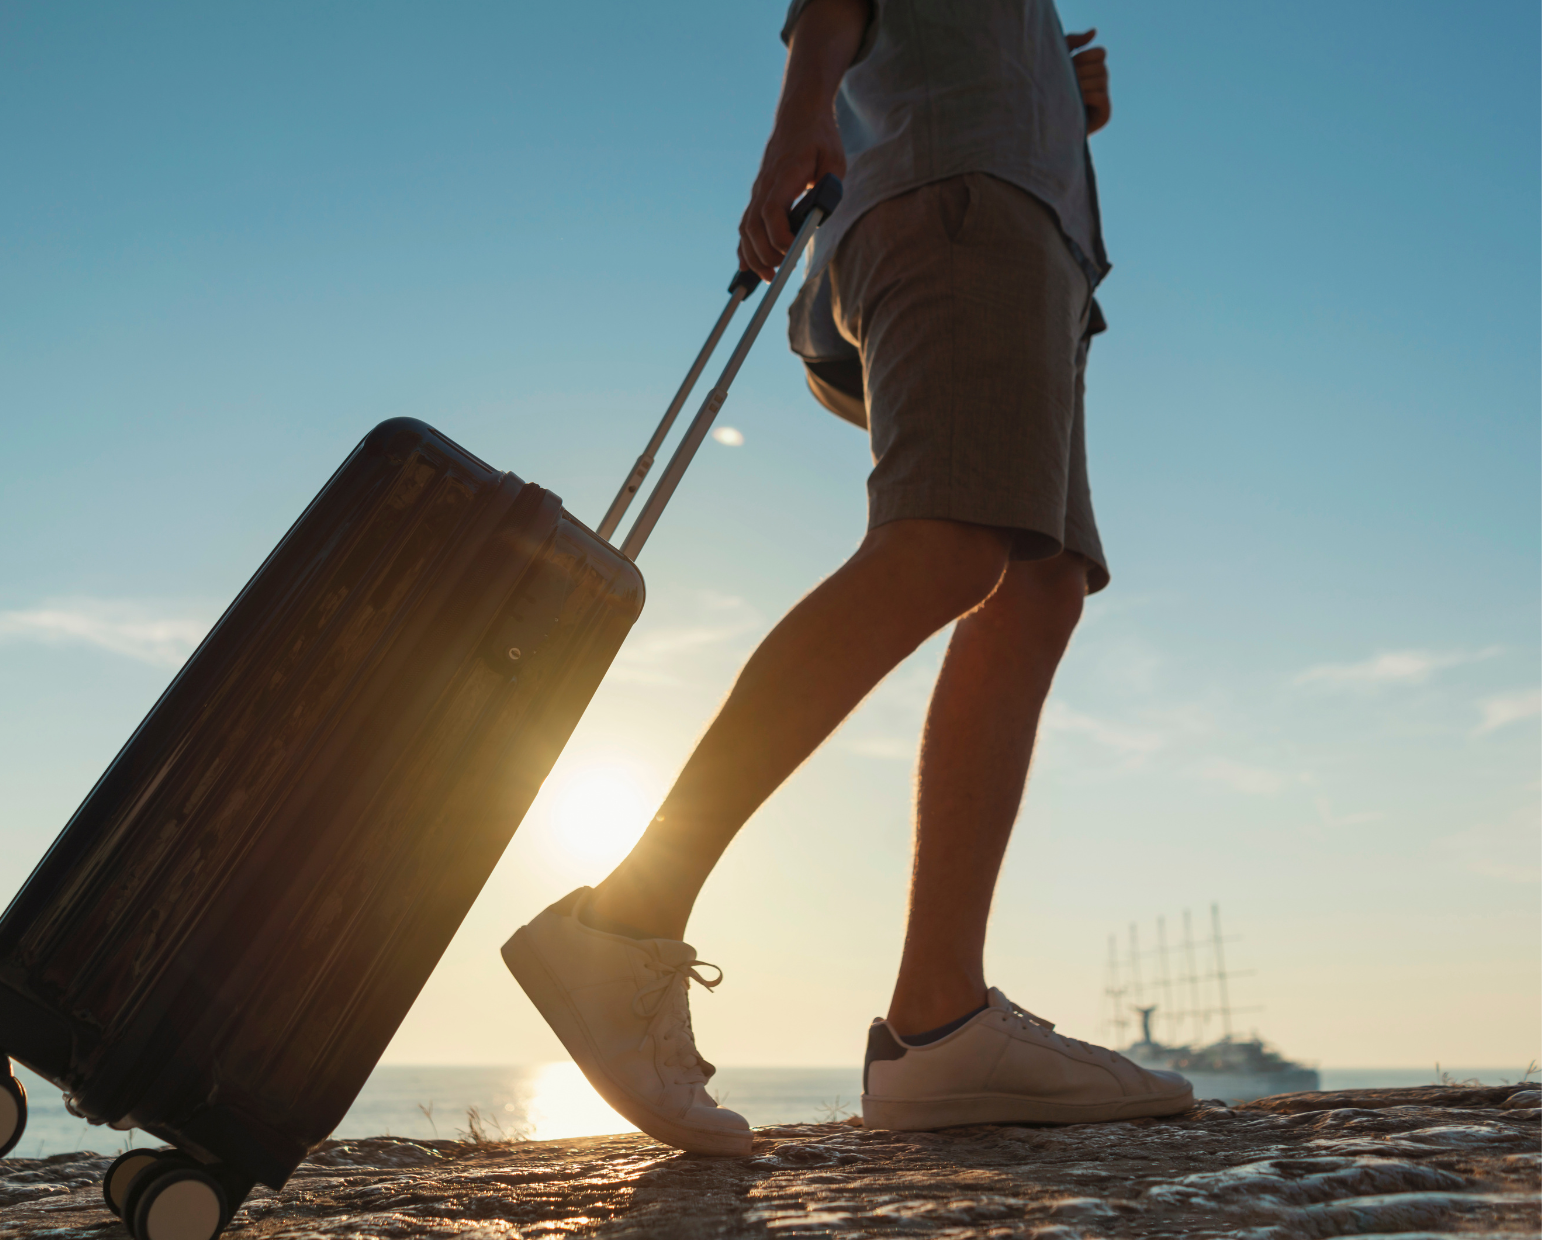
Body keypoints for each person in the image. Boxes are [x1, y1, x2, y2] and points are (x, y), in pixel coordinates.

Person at [501, 0, 1192, 1156]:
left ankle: (939, 1025)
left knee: (1039, 581)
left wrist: (1052, 102)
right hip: (956, 193)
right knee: (949, 539)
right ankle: (626, 917)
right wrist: (801, 111)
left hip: (1021, 215)